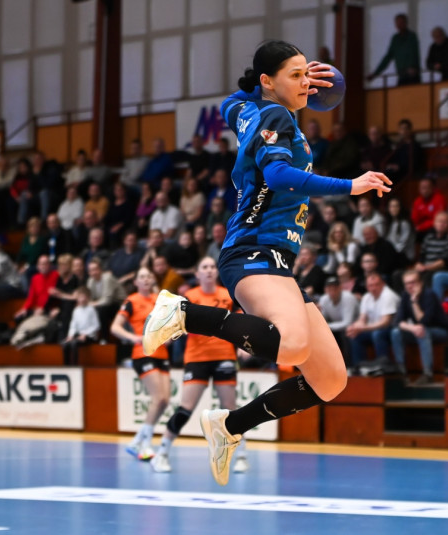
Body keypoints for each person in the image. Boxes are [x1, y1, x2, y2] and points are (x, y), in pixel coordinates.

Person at [139, 41, 391, 486]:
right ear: (267, 82)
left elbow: (229, 102)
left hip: (276, 258)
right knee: (291, 347)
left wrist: (285, 79)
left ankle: (230, 426)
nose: (307, 83)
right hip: (253, 248)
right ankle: (181, 313)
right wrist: (350, 186)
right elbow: (276, 175)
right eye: (296, 75)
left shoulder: (251, 110)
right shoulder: (275, 116)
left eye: (307, 73)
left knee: (330, 379)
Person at [150, 256, 248, 474]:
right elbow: (175, 322)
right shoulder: (190, 297)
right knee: (185, 408)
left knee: (230, 409)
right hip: (196, 358)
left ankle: (241, 455)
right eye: (205, 267)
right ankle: (162, 453)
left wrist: (244, 344)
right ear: (198, 274)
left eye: (212, 266)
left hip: (224, 356)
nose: (209, 270)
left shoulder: (227, 295)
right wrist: (167, 335)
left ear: (217, 272)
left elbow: (243, 321)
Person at [112, 267, 169, 461]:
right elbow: (115, 327)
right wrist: (134, 338)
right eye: (142, 277)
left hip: (162, 353)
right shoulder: (132, 301)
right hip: (143, 354)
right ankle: (145, 444)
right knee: (158, 398)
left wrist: (169, 336)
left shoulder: (159, 300)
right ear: (136, 282)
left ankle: (137, 440)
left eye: (148, 276)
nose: (146, 279)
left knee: (165, 400)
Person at [390, 269, 448, 384]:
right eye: (407, 283)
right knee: (395, 333)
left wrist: (414, 302)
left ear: (420, 283)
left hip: (442, 331)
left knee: (423, 331)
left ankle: (428, 374)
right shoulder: (405, 295)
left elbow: (424, 321)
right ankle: (401, 373)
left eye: (412, 282)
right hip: (420, 329)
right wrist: (412, 328)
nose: (409, 286)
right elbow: (397, 321)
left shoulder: (429, 294)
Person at [346, 272, 400, 373]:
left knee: (377, 334)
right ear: (367, 287)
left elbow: (385, 322)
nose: (373, 288)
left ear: (383, 284)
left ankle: (383, 366)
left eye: (376, 284)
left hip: (392, 328)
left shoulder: (388, 295)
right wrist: (353, 327)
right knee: (355, 335)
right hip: (374, 328)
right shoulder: (367, 297)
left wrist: (362, 328)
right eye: (370, 285)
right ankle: (359, 367)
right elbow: (362, 319)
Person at [367, 13, 420, 86]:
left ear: (406, 23)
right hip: (402, 75)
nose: (399, 25)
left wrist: (412, 67)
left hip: (413, 75)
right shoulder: (395, 39)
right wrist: (375, 73)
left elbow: (413, 53)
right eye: (397, 23)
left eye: (401, 22)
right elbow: (388, 57)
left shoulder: (412, 36)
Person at [318, 276, 359, 365]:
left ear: (340, 288)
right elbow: (322, 321)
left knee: (346, 333)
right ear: (325, 289)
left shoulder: (348, 298)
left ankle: (349, 366)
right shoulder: (324, 299)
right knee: (322, 335)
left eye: (335, 288)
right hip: (336, 328)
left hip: (354, 327)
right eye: (329, 288)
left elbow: (347, 323)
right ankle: (328, 365)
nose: (332, 291)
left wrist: (326, 326)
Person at [62, 287, 100, 366]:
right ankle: (66, 366)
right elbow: (73, 325)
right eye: (79, 297)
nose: (81, 299)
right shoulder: (76, 310)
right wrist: (70, 335)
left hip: (89, 336)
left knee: (74, 344)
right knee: (65, 344)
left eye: (83, 297)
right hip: (79, 335)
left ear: (87, 298)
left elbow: (96, 325)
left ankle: (75, 366)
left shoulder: (91, 309)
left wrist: (85, 334)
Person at [384, 197, 415, 264]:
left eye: (396, 206)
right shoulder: (390, 223)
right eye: (391, 206)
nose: (394, 209)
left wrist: (390, 253)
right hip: (393, 254)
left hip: (403, 255)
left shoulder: (405, 223)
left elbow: (402, 245)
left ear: (400, 208)